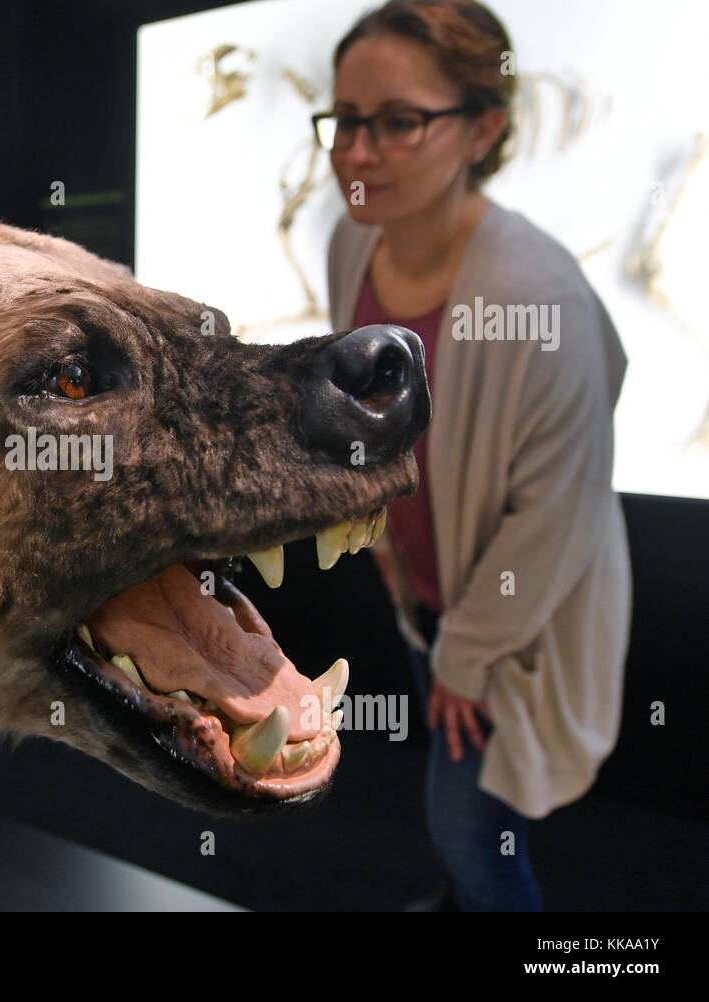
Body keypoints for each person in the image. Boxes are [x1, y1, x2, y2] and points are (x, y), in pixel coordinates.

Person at [318, 0, 631, 910]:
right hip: (430, 598)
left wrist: (467, 655)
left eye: (399, 122)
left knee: (469, 823)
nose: (357, 153)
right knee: (464, 813)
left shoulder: (539, 294)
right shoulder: (353, 239)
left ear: (482, 128)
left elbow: (559, 513)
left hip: (513, 622)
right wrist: (386, 547)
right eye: (343, 121)